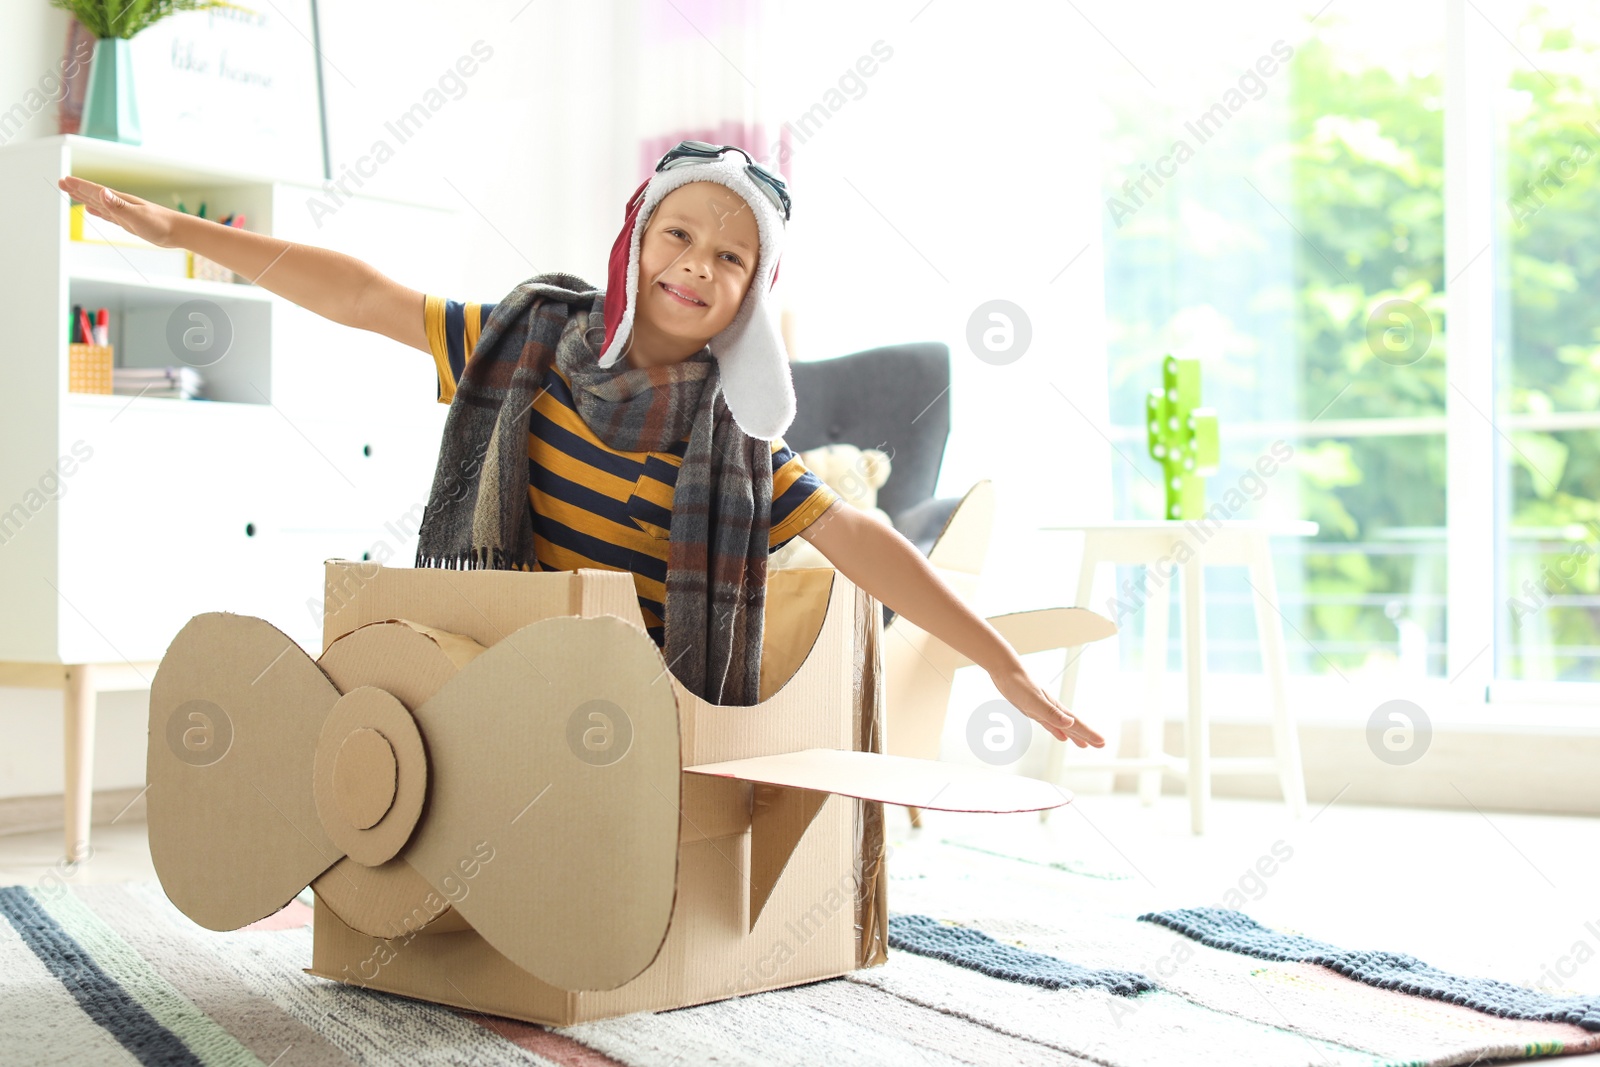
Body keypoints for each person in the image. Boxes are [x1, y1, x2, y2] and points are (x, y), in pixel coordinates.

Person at [56, 143, 1103, 746]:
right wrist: (184, 234)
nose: (697, 265)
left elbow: (865, 542)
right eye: (678, 234)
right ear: (636, 241)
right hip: (491, 668)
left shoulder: (734, 447)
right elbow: (365, 295)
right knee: (370, 686)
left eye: (731, 256)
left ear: (751, 294)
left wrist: (998, 662)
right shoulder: (527, 347)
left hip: (618, 715)